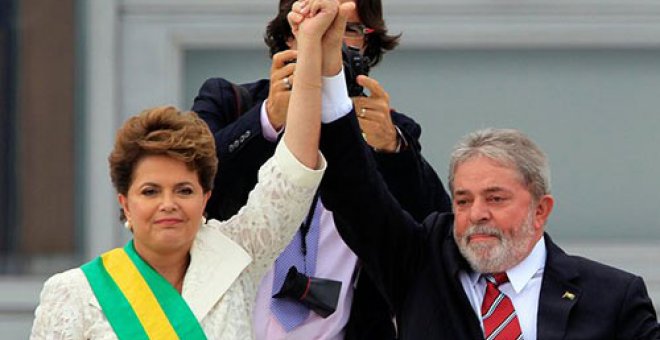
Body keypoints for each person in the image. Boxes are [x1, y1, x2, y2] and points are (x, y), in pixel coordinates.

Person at [28, 2, 338, 336]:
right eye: (150, 191)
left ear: (206, 198)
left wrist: (309, 45)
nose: (168, 203)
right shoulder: (75, 294)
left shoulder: (236, 258)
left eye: (184, 190)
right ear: (125, 204)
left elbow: (294, 175)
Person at [310, 67, 660, 337]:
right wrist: (327, 72)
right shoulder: (420, 267)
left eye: (495, 198)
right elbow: (352, 192)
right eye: (462, 201)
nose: (477, 214)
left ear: (540, 210)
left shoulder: (612, 297)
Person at [192, 0, 450, 339]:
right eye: (317, 24)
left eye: (348, 28)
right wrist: (267, 119)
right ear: (288, 34)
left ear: (368, 43)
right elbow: (192, 185)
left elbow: (433, 235)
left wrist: (392, 149)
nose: (332, 39)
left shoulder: (391, 130)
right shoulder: (230, 102)